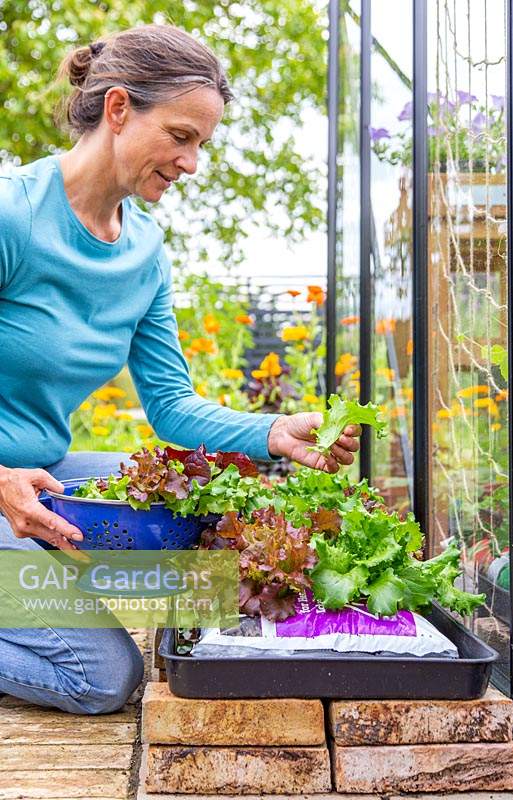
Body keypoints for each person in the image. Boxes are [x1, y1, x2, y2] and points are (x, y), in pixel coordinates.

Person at [0, 24, 360, 714]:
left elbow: (169, 404)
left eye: (202, 144)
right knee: (102, 678)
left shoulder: (144, 251)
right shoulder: (13, 215)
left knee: (198, 518)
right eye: (181, 136)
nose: (192, 163)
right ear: (116, 110)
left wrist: (276, 430)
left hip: (41, 476)